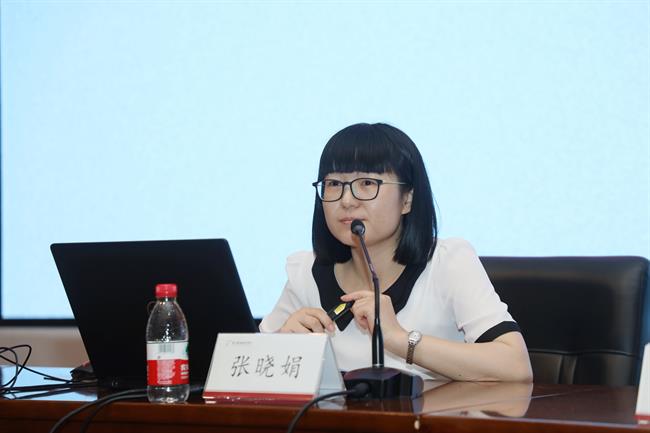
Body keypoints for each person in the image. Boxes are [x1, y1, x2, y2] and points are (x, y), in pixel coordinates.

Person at [259, 123, 532, 382]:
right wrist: (283, 344)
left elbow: (515, 366)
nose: (346, 200)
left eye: (367, 183)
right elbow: (247, 370)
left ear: (407, 199)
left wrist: (399, 339)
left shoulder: (447, 262)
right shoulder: (306, 272)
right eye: (334, 184)